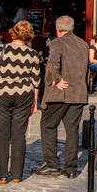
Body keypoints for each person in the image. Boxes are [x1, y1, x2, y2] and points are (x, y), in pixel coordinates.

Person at [0, 19, 41, 184]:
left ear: (13, 32)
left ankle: (1, 174)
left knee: (2, 134)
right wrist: (35, 101)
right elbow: (36, 80)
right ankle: (17, 174)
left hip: (3, 93)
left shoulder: (1, 49)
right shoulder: (32, 53)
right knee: (19, 135)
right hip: (24, 95)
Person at [38, 15, 91, 178]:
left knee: (48, 125)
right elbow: (86, 69)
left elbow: (53, 64)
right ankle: (70, 168)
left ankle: (52, 164)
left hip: (60, 93)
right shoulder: (83, 44)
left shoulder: (57, 43)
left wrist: (56, 80)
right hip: (78, 92)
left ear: (58, 29)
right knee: (72, 130)